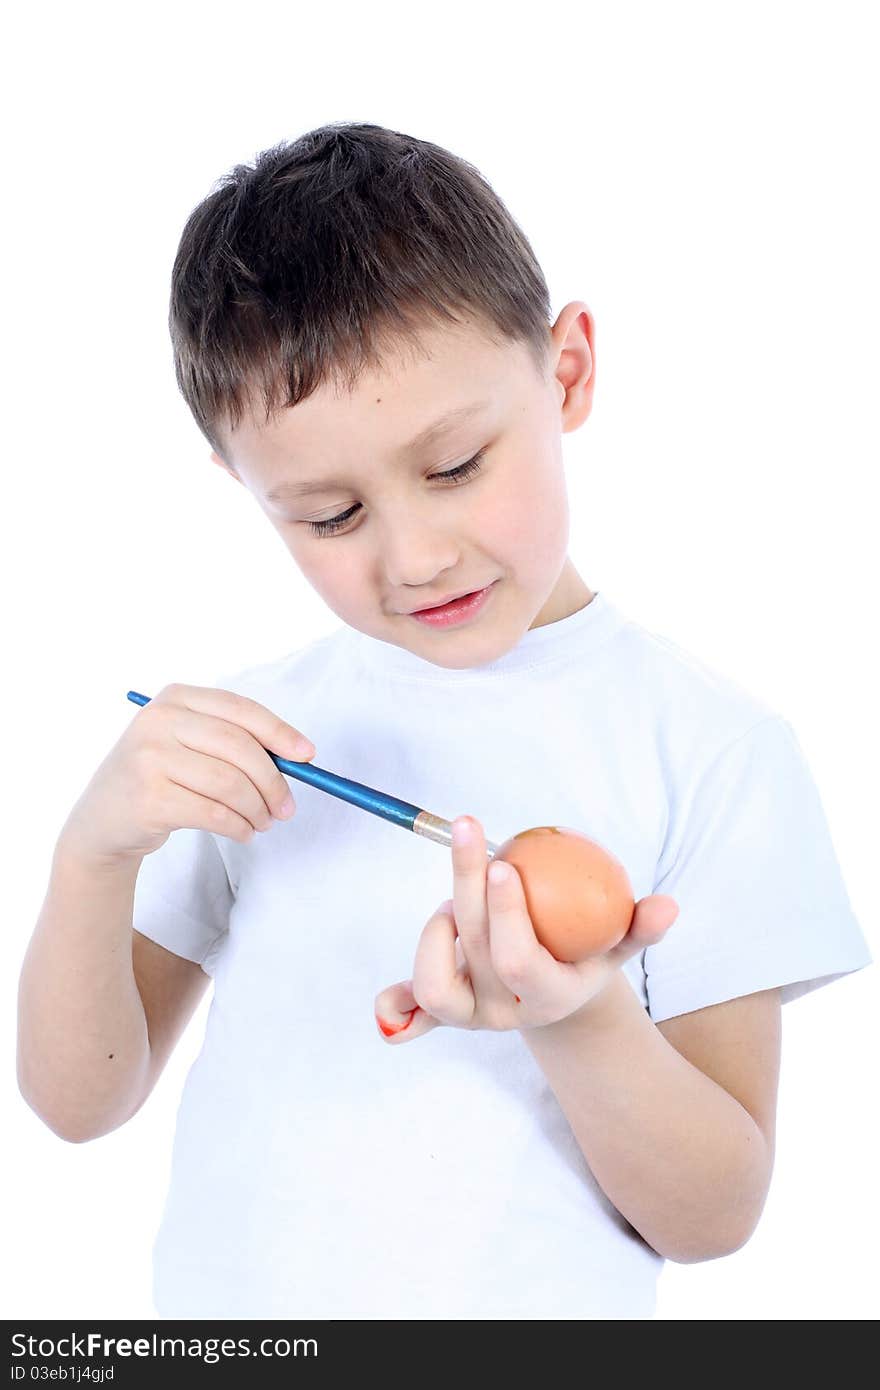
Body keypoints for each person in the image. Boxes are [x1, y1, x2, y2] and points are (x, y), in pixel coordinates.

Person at [17, 122, 872, 1321]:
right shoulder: (264, 734)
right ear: (246, 491)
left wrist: (573, 1017)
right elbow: (79, 1101)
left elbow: (715, 1216)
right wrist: (92, 854)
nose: (414, 556)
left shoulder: (712, 746)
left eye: (458, 463)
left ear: (565, 371)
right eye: (326, 515)